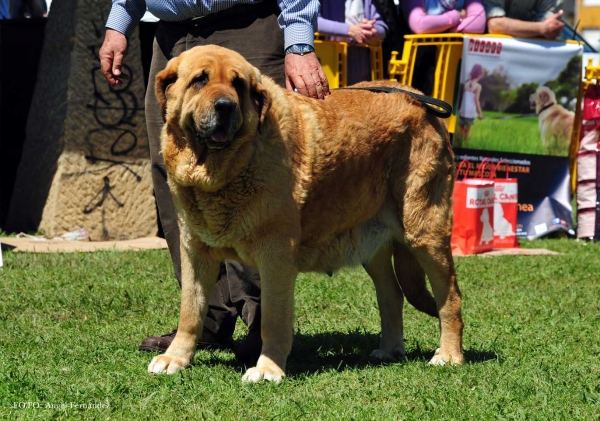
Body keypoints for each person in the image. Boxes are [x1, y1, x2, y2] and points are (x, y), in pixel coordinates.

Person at [100, 0, 329, 365]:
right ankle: (204, 321)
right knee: (175, 174)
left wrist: (298, 43)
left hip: (246, 24)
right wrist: (119, 21)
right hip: (172, 33)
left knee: (252, 178)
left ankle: (263, 327)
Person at [318, 0, 388, 84]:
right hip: (330, 68)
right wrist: (349, 30)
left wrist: (370, 30)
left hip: (364, 66)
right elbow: (311, 19)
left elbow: (382, 26)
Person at [482, 0, 565, 39]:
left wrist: (545, 29)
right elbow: (495, 26)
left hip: (531, 57)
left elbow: (551, 30)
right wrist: (541, 28)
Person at [403, 0, 486, 34]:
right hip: (422, 60)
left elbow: (478, 25)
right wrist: (458, 15)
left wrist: (438, 25)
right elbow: (419, 25)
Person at [456, 63, 483, 146]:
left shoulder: (466, 84)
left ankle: (456, 143)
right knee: (467, 131)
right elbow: (476, 100)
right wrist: (480, 113)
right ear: (480, 75)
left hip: (463, 111)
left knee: (460, 130)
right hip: (470, 113)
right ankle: (464, 145)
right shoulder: (478, 86)